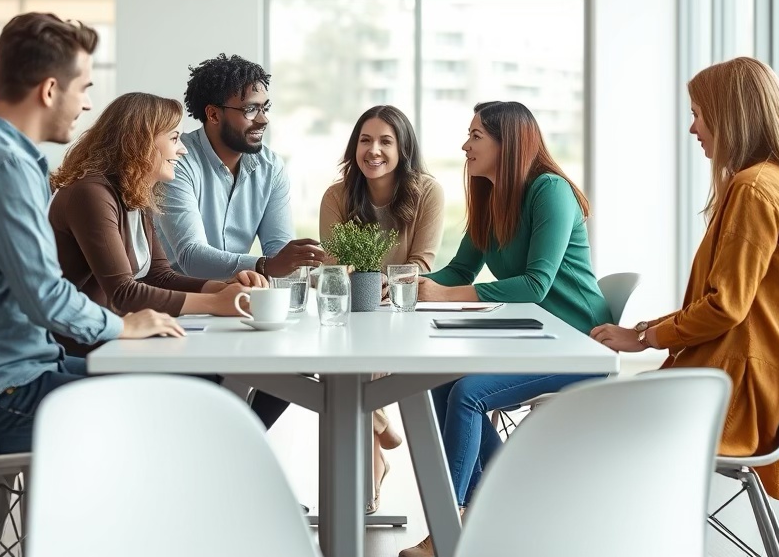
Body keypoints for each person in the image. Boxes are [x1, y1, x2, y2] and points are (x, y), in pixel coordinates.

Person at [0, 13, 182, 457]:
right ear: (51, 90)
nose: (88, 105)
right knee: (170, 410)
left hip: (3, 380)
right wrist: (122, 326)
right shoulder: (4, 167)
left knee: (173, 389)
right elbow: (44, 294)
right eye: (85, 89)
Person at [591, 57, 779, 501]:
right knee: (594, 415)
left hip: (730, 392)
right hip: (737, 380)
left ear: (729, 117)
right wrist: (644, 332)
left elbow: (725, 306)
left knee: (580, 419)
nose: (693, 129)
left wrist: (646, 337)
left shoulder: (754, 189)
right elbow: (724, 302)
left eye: (697, 115)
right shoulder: (774, 183)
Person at [399, 101, 610, 557]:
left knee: (469, 392)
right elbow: (457, 271)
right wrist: (404, 284)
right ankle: (502, 502)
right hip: (532, 338)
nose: (465, 145)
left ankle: (446, 529)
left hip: (576, 344)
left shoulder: (549, 190)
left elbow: (536, 284)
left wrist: (443, 296)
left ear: (506, 142)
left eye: (476, 135)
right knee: (440, 382)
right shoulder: (490, 197)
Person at [49, 91, 289, 428]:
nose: (182, 149)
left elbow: (159, 275)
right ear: (140, 142)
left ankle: (222, 455)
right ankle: (220, 457)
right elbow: (124, 293)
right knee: (203, 379)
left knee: (229, 374)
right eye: (174, 138)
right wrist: (216, 302)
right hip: (81, 344)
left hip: (118, 339)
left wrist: (224, 287)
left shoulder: (134, 193)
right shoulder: (91, 193)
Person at [319, 105, 444, 514]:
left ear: (403, 147)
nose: (373, 150)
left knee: (359, 367)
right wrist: (366, 286)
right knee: (341, 354)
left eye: (385, 141)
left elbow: (423, 262)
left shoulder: (428, 190)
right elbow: (335, 264)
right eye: (365, 140)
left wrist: (387, 285)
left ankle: (372, 462)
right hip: (354, 309)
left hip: (402, 314)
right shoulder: (336, 196)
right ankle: (381, 433)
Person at [155, 53, 327, 280]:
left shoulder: (271, 167)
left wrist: (335, 279)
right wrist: (266, 266)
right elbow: (191, 256)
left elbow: (280, 256)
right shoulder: (177, 160)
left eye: (264, 108)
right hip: (177, 303)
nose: (263, 119)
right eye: (250, 109)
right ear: (214, 114)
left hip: (237, 299)